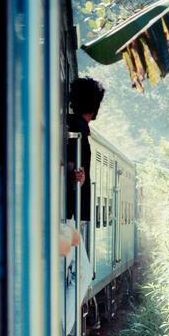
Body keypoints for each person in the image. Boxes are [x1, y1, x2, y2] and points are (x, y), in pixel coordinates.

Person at [66, 77, 106, 229]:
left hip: (69, 211)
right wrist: (77, 178)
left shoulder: (71, 122)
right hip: (71, 211)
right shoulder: (79, 129)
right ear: (95, 106)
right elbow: (70, 166)